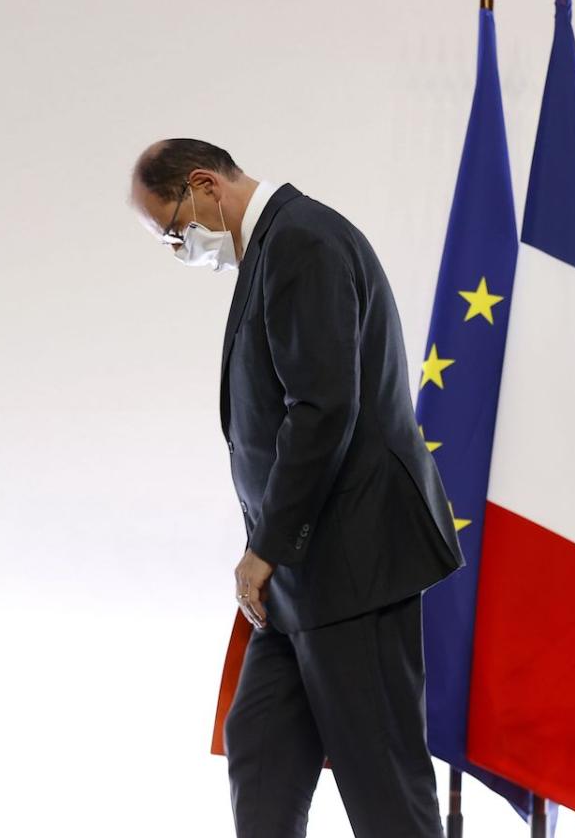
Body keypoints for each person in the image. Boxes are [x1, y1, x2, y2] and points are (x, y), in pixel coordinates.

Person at [128, 138, 463, 838]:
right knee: (262, 748)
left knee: (384, 788)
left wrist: (268, 546)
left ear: (204, 185)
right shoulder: (276, 247)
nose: (179, 247)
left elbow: (322, 408)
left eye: (172, 229)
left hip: (351, 565)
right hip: (301, 578)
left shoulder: (303, 242)